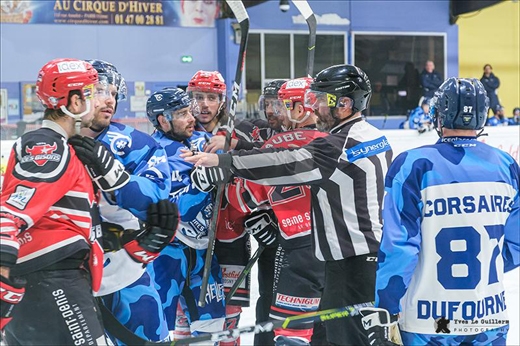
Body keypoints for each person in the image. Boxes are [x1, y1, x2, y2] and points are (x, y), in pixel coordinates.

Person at [183, 64, 393, 346]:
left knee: (341, 338)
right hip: (366, 255)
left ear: (343, 104)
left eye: (320, 100)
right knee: (334, 335)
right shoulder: (373, 136)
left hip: (348, 262)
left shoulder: (336, 146)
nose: (314, 107)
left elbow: (282, 163)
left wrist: (224, 163)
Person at [361, 77, 519, 346]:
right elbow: (515, 245)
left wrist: (385, 305)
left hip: (429, 321)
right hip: (489, 317)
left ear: (439, 114)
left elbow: (399, 247)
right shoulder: (506, 166)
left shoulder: (413, 164)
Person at [0, 58, 112, 345]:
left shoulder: (61, 145)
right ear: (74, 102)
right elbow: (12, 210)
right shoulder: (47, 145)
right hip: (51, 279)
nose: (97, 101)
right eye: (89, 93)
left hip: (47, 277)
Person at [226, 77, 328, 346]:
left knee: (290, 335)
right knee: (331, 329)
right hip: (337, 251)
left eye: (283, 106)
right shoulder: (335, 142)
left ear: (300, 107)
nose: (277, 112)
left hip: (296, 251)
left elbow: (238, 199)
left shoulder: (271, 146)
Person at [79, 59, 175, 344]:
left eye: (113, 92)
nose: (109, 99)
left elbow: (157, 195)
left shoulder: (137, 143)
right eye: (99, 90)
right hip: (69, 281)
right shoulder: (56, 143)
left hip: (127, 275)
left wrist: (114, 175)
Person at [145, 87, 227, 339]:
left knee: (212, 327)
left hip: (204, 252)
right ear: (162, 120)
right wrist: (198, 186)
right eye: (182, 113)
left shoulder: (203, 142)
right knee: (159, 329)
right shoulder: (150, 153)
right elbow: (161, 205)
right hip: (166, 255)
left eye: (189, 111)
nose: (192, 117)